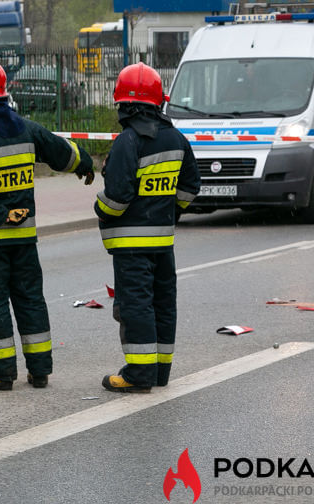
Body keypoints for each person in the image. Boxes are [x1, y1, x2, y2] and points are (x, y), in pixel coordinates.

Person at [0, 55, 94, 391]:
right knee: (30, 298)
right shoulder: (24, 127)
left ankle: (1, 373)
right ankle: (40, 370)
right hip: (25, 238)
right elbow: (62, 152)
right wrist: (84, 164)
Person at [94, 62, 201, 394]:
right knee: (162, 302)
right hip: (163, 241)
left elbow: (118, 196)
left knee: (135, 304)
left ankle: (139, 373)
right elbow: (190, 187)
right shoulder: (176, 138)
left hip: (131, 245)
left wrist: (99, 207)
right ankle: (159, 371)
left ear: (125, 105)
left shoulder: (129, 141)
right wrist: (168, 213)